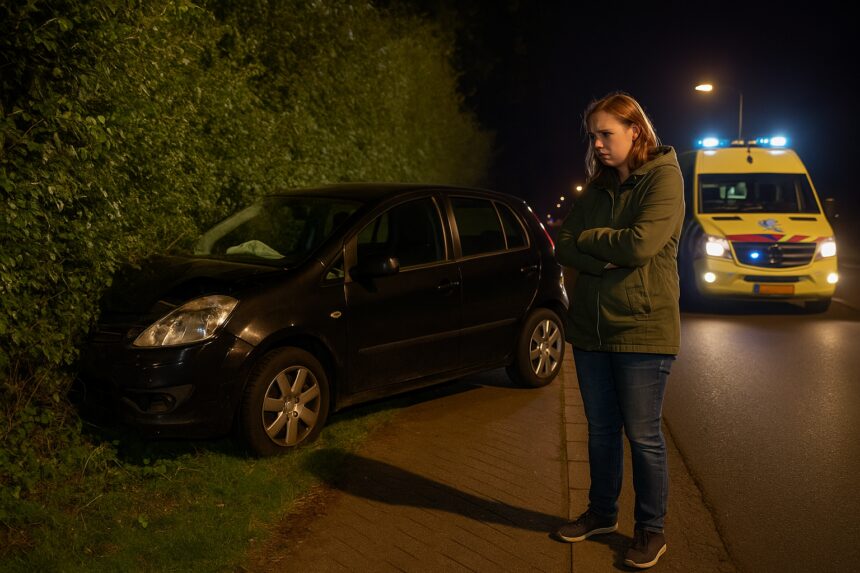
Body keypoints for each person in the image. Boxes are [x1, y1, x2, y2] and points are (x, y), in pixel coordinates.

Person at [554, 92, 684, 569]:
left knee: (644, 436)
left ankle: (651, 530)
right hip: (591, 329)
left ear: (636, 131)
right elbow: (565, 245)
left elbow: (641, 244)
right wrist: (603, 250)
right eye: (593, 135)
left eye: (606, 133)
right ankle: (601, 514)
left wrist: (596, 245)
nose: (599, 143)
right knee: (601, 431)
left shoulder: (664, 179)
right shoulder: (600, 186)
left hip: (642, 328)